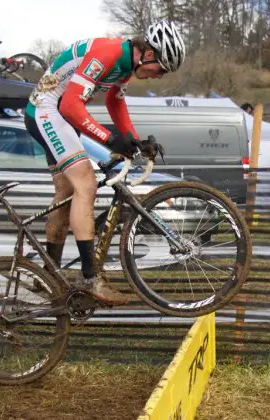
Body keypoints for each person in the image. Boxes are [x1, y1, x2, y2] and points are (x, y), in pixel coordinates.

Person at [24, 19, 186, 306]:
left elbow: (115, 101)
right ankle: (89, 278)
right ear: (148, 54)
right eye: (161, 68)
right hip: (46, 109)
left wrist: (134, 141)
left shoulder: (125, 63)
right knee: (86, 183)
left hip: (60, 113)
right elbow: (70, 105)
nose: (159, 76)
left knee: (66, 192)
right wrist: (110, 140)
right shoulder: (109, 54)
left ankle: (48, 274)